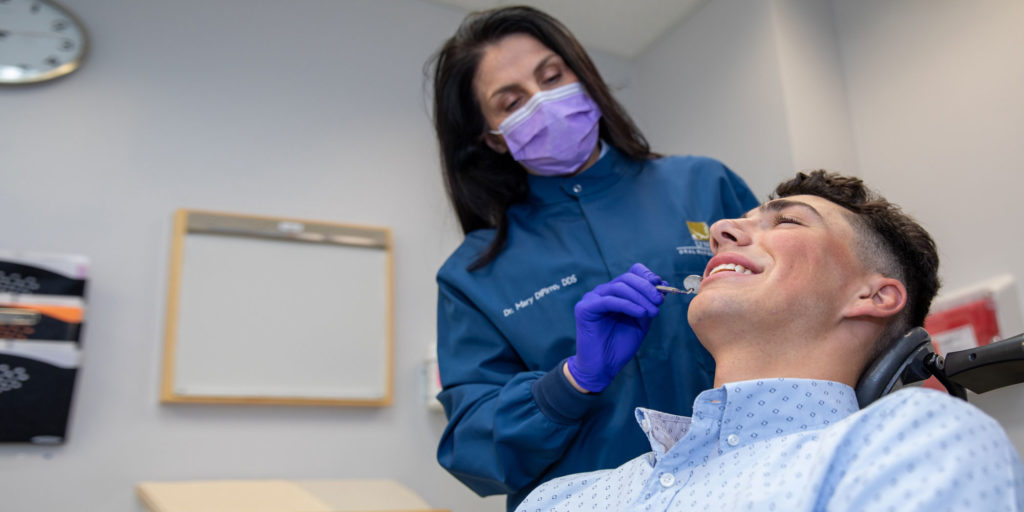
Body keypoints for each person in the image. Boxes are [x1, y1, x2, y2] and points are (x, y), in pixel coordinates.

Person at [515, 170, 1024, 511]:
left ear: (874, 295)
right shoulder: (562, 499)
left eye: (785, 221)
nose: (718, 231)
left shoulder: (916, 443)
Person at [427, 5, 759, 509]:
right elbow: (472, 448)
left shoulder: (703, 185)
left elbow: (798, 316)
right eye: (512, 100)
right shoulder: (473, 274)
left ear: (583, 76)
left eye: (552, 76)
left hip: (748, 486)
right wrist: (572, 381)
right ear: (492, 136)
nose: (543, 102)